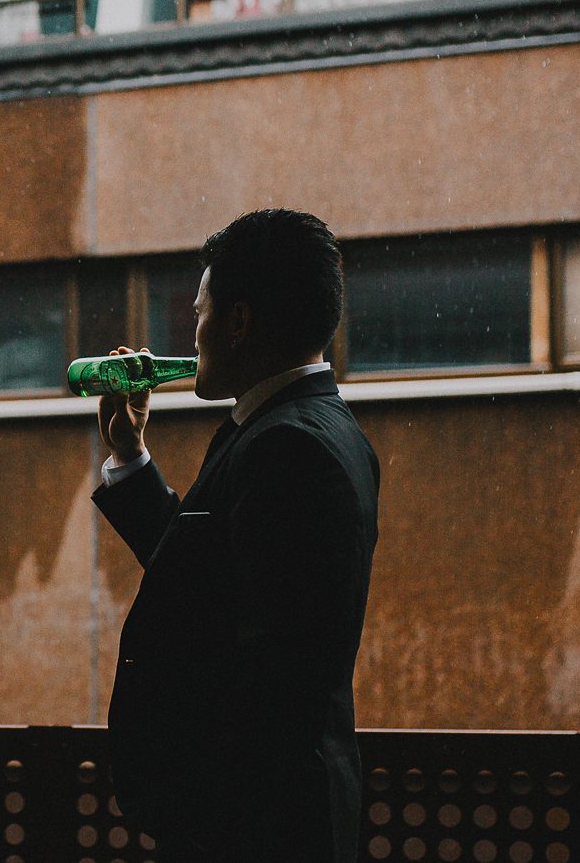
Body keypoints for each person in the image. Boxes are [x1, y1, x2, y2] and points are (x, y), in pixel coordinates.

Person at [92, 208, 380, 862]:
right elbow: (210, 586)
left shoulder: (288, 447)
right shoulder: (308, 430)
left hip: (252, 829)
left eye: (199, 313)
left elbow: (271, 678)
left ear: (239, 321)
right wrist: (129, 456)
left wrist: (194, 811)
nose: (192, 334)